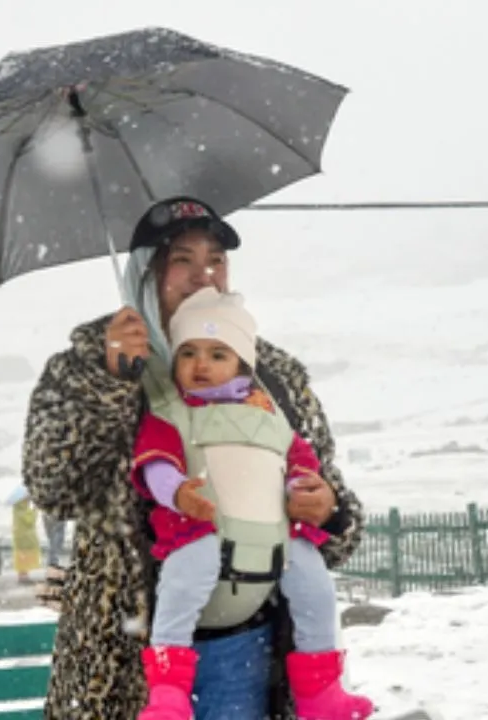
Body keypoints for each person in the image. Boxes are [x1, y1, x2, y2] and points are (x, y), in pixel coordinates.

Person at [23, 196, 366, 719]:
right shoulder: (92, 364)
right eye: (182, 259)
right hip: (124, 658)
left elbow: (334, 501)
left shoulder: (271, 373)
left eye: (216, 260)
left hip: (247, 652)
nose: (203, 275)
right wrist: (111, 383)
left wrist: (329, 510)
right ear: (145, 272)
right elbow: (53, 486)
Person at [131, 287, 373, 720]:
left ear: (242, 362)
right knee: (184, 581)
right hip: (200, 533)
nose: (201, 365)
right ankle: (167, 689)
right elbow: (156, 463)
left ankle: (321, 691)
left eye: (217, 354)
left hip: (262, 583)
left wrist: (313, 494)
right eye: (188, 353)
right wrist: (177, 492)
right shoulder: (167, 408)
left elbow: (302, 456)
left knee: (314, 586)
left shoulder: (273, 407)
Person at [11, 496, 41, 584]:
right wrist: (35, 510)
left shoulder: (17, 509)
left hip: (19, 537)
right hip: (25, 538)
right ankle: (23, 578)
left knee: (22, 557)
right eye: (27, 500)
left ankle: (23, 576)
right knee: (25, 557)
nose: (28, 502)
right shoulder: (22, 510)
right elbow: (30, 520)